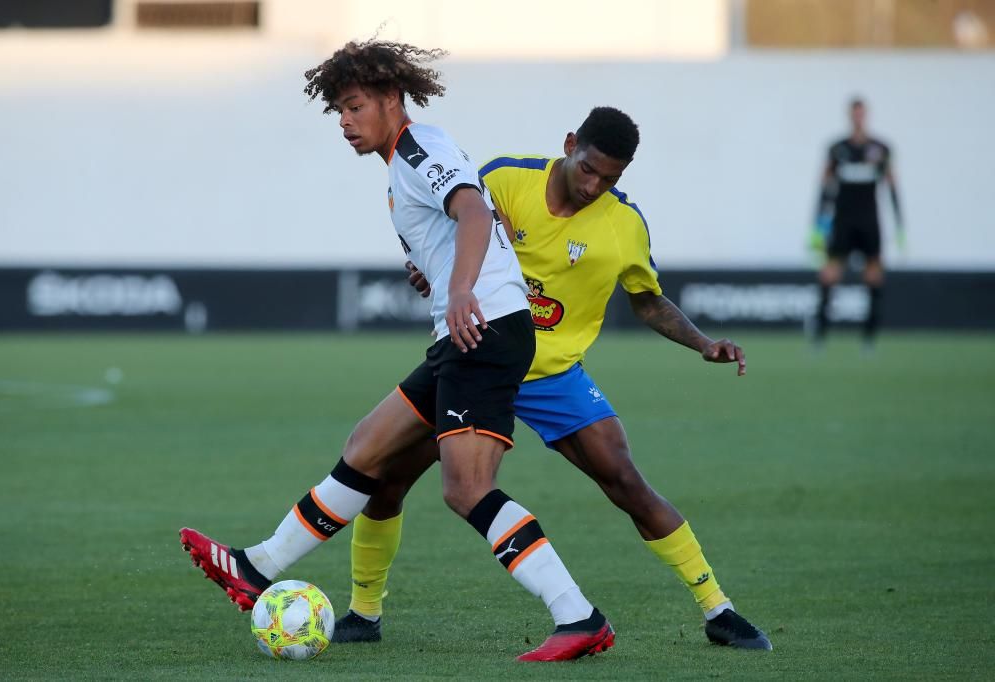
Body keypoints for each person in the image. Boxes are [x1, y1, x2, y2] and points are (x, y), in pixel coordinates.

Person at [179, 38, 615, 663]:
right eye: (338, 112)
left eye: (355, 106)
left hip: (484, 329)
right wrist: (440, 279)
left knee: (467, 490)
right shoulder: (402, 166)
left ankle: (578, 616)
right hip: (467, 330)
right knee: (367, 447)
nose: (345, 122)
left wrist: (461, 287)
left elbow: (472, 214)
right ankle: (256, 567)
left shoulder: (419, 146)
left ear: (390, 99)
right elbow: (459, 228)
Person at [332, 107, 772, 651]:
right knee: (387, 477)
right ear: (568, 144)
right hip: (478, 357)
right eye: (587, 169)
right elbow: (441, 228)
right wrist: (426, 267)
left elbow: (648, 300)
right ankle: (364, 612)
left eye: (609, 178)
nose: (594, 186)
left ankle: (718, 609)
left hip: (552, 373)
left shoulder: (623, 225)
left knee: (626, 481)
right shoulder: (503, 179)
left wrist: (705, 343)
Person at [810, 97, 904, 348]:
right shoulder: (836, 149)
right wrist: (818, 227)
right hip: (842, 221)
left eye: (862, 114)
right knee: (829, 275)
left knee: (873, 277)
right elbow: (824, 188)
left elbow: (893, 187)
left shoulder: (881, 149)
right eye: (855, 114)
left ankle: (869, 338)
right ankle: (819, 335)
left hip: (869, 221)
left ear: (867, 116)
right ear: (849, 116)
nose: (858, 118)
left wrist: (900, 226)